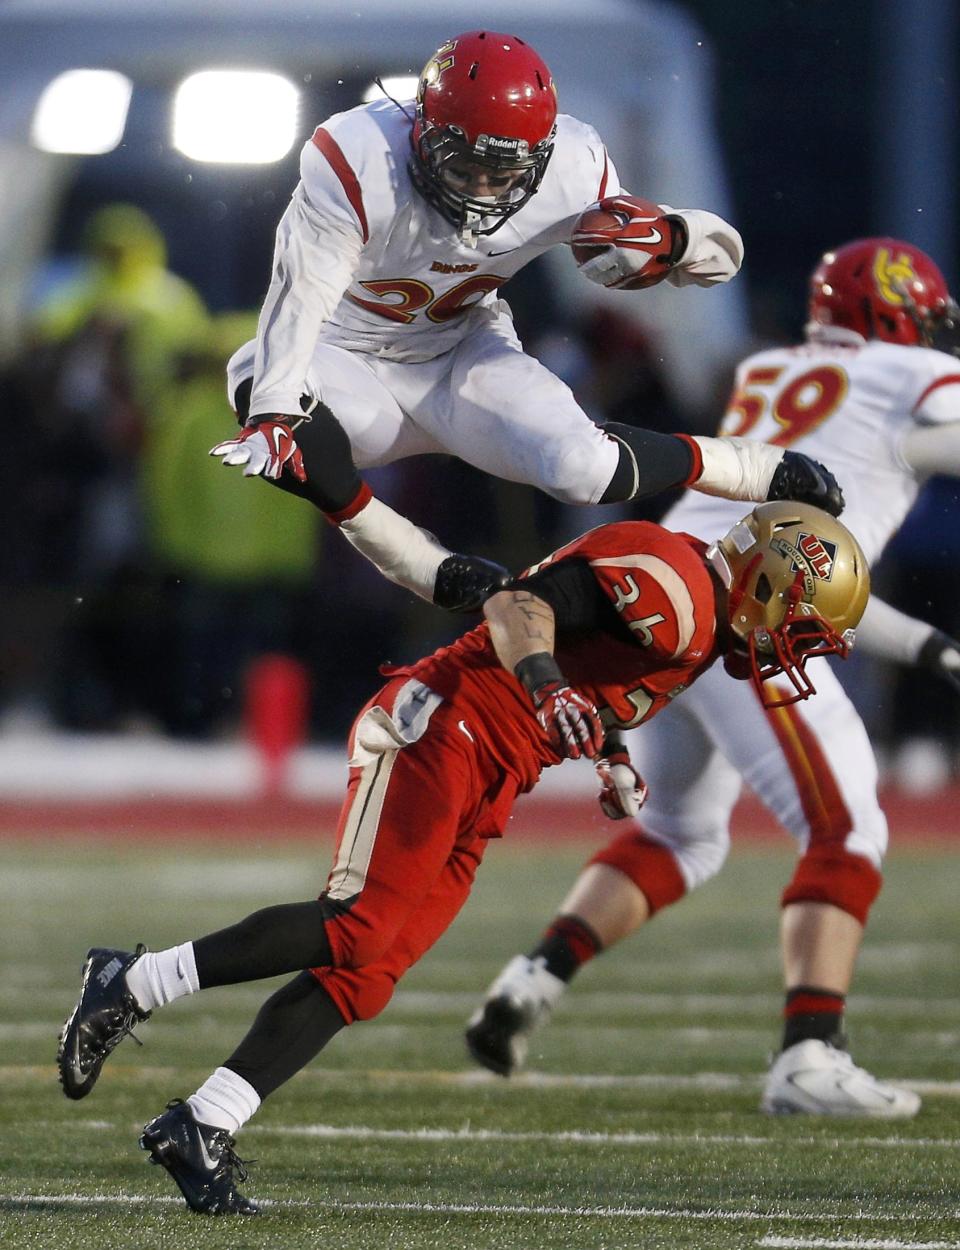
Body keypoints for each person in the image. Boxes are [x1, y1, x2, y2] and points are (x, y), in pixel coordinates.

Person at [57, 500, 868, 1214]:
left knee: (368, 973)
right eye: (803, 627)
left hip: (496, 764)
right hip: (446, 722)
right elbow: (518, 604)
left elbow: (592, 664)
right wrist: (550, 692)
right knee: (357, 923)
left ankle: (202, 1123)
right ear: (767, 581)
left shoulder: (697, 613)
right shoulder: (675, 585)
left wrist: (613, 754)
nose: (797, 652)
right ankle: (129, 982)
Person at [465, 236, 960, 1119]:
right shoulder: (909, 374)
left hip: (676, 599)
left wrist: (931, 647)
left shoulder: (771, 367)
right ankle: (811, 1055)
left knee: (683, 834)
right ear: (900, 316)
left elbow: (825, 579)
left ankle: (530, 980)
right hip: (748, 619)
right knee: (847, 830)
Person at [205, 29, 843, 612]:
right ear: (421, 131)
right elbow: (301, 297)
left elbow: (717, 261)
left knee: (582, 470)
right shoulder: (356, 157)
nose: (482, 190)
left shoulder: (574, 165)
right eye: (464, 168)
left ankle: (745, 467)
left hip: (458, 350)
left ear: (539, 157)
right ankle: (419, 563)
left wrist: (675, 237)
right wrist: (274, 409)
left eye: (502, 174)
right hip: (343, 355)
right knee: (271, 394)